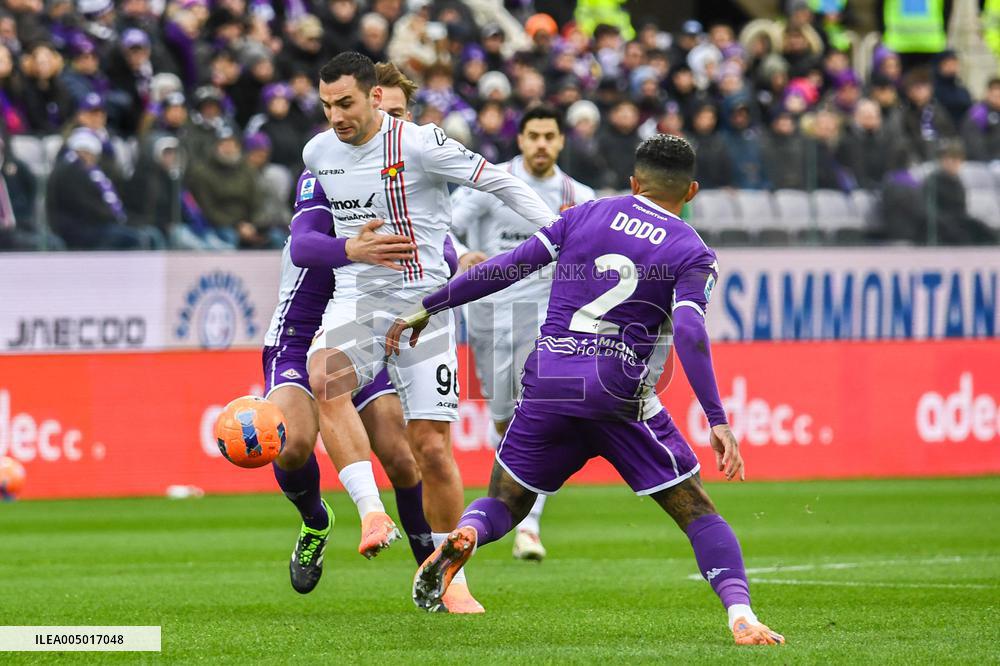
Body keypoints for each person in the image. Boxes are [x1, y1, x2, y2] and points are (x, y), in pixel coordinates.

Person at [388, 134, 785, 646]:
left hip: (550, 377)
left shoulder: (584, 214)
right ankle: (741, 616)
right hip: (618, 391)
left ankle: (466, 534)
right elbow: (688, 330)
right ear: (691, 190)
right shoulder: (692, 251)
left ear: (633, 183)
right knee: (697, 512)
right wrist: (717, 418)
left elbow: (506, 267)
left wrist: (430, 304)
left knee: (505, 502)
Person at [301, 52, 555, 613]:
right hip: (357, 301)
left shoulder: (421, 144)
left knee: (433, 451)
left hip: (426, 310)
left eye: (345, 103)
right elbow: (305, 236)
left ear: (372, 98)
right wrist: (347, 247)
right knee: (324, 379)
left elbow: (498, 182)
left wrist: (560, 231)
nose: (336, 116)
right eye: (326, 106)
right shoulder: (317, 153)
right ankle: (371, 511)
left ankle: (452, 577)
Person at [451, 105, 595, 562]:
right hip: (491, 316)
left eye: (549, 136)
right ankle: (508, 507)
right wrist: (461, 254)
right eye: (533, 135)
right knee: (502, 420)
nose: (541, 145)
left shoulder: (578, 194)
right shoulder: (494, 182)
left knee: (540, 415)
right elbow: (446, 227)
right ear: (521, 139)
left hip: (550, 320)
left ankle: (528, 525)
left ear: (560, 141)